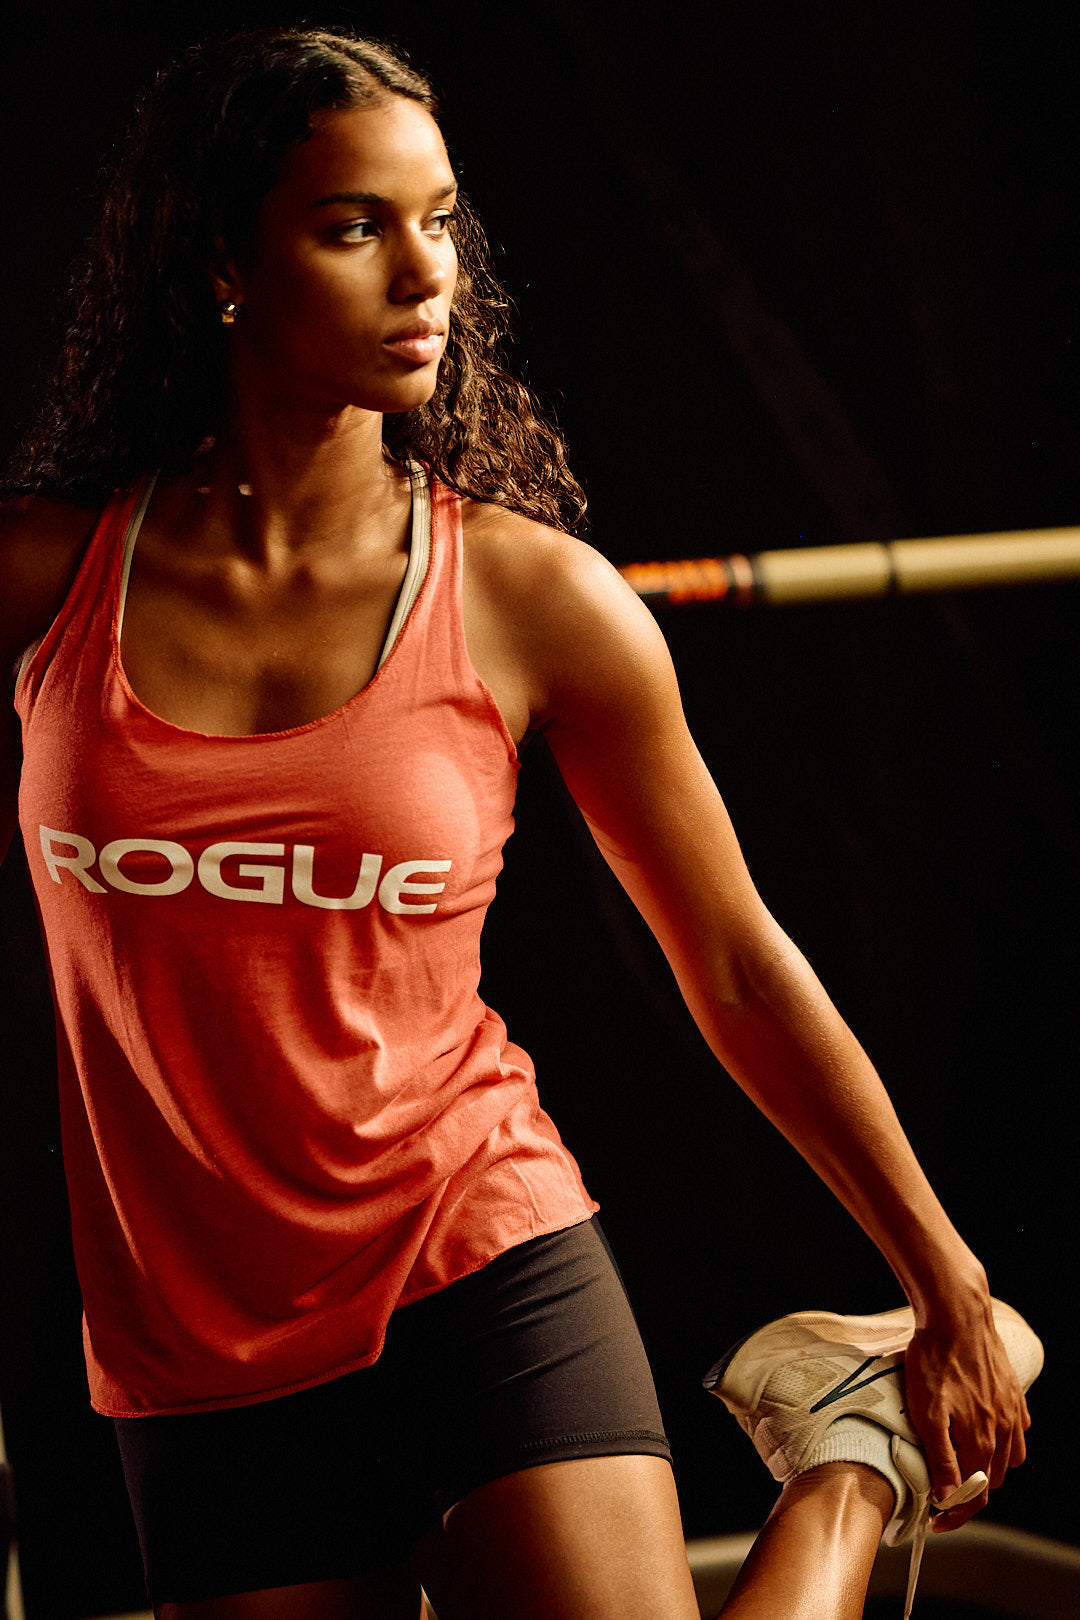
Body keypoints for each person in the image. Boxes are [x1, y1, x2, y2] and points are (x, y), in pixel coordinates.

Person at [0, 26, 1036, 1620]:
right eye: (356, 227)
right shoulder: (49, 577)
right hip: (190, 1331)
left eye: (439, 221)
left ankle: (847, 1461)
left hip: (469, 1245)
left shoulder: (537, 601)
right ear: (222, 259)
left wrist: (945, 1283)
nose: (425, 275)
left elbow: (737, 963)